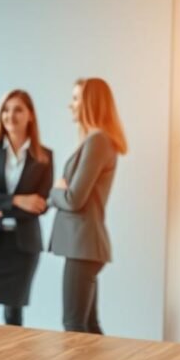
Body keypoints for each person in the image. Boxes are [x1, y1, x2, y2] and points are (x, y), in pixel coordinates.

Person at [49, 78, 127, 333]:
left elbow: (73, 199)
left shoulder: (98, 141)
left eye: (75, 99)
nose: (70, 105)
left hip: (83, 246)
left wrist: (56, 191)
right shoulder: (95, 141)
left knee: (73, 325)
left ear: (89, 103)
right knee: (89, 326)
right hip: (84, 245)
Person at [0, 90, 53, 326]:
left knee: (13, 313)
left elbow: (40, 204)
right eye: (5, 110)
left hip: (24, 244)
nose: (10, 115)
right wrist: (17, 201)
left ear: (31, 115)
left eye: (18, 109)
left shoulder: (44, 157)